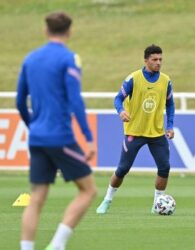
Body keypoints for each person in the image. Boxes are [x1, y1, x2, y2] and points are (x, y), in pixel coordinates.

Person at [16, 11, 97, 250]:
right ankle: (57, 245)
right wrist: (89, 138)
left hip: (37, 137)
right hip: (59, 137)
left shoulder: (30, 59)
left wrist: (32, 125)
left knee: (37, 197)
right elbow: (75, 100)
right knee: (88, 190)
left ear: (45, 30)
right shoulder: (69, 58)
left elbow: (20, 101)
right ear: (69, 32)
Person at [96, 44, 175, 214]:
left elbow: (170, 104)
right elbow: (118, 99)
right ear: (146, 60)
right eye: (154, 60)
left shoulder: (166, 81)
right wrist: (121, 111)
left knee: (164, 167)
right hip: (134, 132)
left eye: (161, 59)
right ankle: (107, 200)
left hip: (156, 133)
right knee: (123, 169)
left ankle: (157, 204)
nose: (158, 63)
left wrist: (170, 125)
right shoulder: (134, 78)